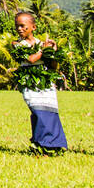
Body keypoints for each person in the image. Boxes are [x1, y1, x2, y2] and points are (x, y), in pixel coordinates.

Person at [13, 10, 67, 155]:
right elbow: (30, 59)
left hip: (45, 80)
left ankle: (53, 144)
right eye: (17, 26)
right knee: (37, 110)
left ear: (33, 27)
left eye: (23, 26)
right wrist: (44, 50)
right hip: (29, 80)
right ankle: (42, 143)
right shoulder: (17, 44)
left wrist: (53, 52)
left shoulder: (41, 44)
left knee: (50, 110)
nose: (19, 29)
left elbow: (53, 66)